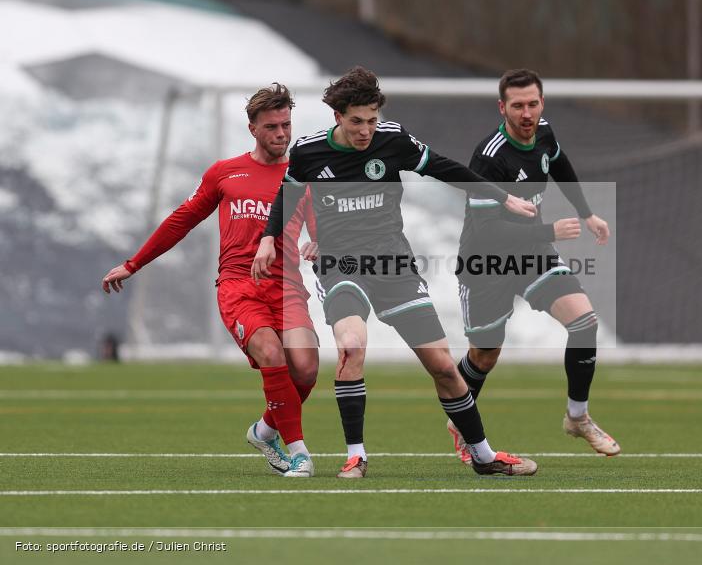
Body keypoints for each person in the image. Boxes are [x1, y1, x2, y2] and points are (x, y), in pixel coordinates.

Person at [252, 66, 539, 478]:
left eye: (371, 120)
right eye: (356, 121)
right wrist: (268, 237)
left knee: (441, 364)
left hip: (393, 263)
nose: (365, 130)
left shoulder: (394, 140)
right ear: (338, 117)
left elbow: (444, 167)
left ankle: (484, 455)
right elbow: (288, 193)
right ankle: (356, 455)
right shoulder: (311, 151)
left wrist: (502, 197)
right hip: (341, 264)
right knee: (352, 345)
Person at [102, 84, 320, 477]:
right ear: (252, 128)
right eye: (272, 126)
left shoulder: (302, 174)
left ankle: (265, 430)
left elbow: (324, 225)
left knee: (305, 370)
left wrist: (321, 243)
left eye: (286, 125)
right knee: (272, 354)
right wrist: (134, 264)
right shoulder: (225, 173)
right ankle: (300, 452)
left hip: (287, 288)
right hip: (239, 286)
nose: (282, 134)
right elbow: (181, 220)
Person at [449, 68, 620, 464]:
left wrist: (587, 214)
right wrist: (549, 230)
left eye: (532, 104)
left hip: (532, 253)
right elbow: (488, 233)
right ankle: (460, 420)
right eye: (517, 106)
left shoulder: (544, 132)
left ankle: (577, 417)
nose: (526, 113)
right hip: (486, 262)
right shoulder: (488, 157)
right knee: (485, 354)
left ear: (542, 103)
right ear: (502, 108)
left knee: (584, 322)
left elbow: (559, 164)